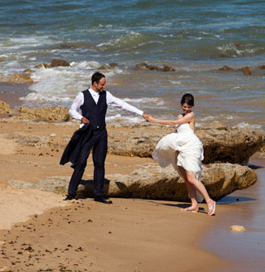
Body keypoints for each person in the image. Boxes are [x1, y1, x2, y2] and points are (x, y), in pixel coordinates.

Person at [60, 71, 146, 204]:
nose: (103, 87)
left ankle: (98, 195)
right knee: (81, 162)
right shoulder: (82, 95)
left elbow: (122, 104)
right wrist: (81, 117)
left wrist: (141, 113)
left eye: (104, 84)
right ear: (94, 83)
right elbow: (72, 110)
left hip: (101, 133)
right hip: (87, 133)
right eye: (102, 84)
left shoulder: (106, 95)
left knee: (99, 163)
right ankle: (71, 193)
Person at [143, 93, 216, 216]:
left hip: (191, 147)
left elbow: (172, 123)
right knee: (186, 178)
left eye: (188, 107)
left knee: (192, 177)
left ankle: (210, 201)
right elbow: (177, 130)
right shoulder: (180, 115)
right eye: (184, 106)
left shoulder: (191, 116)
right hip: (181, 148)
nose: (186, 109)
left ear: (192, 107)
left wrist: (153, 120)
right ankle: (194, 204)